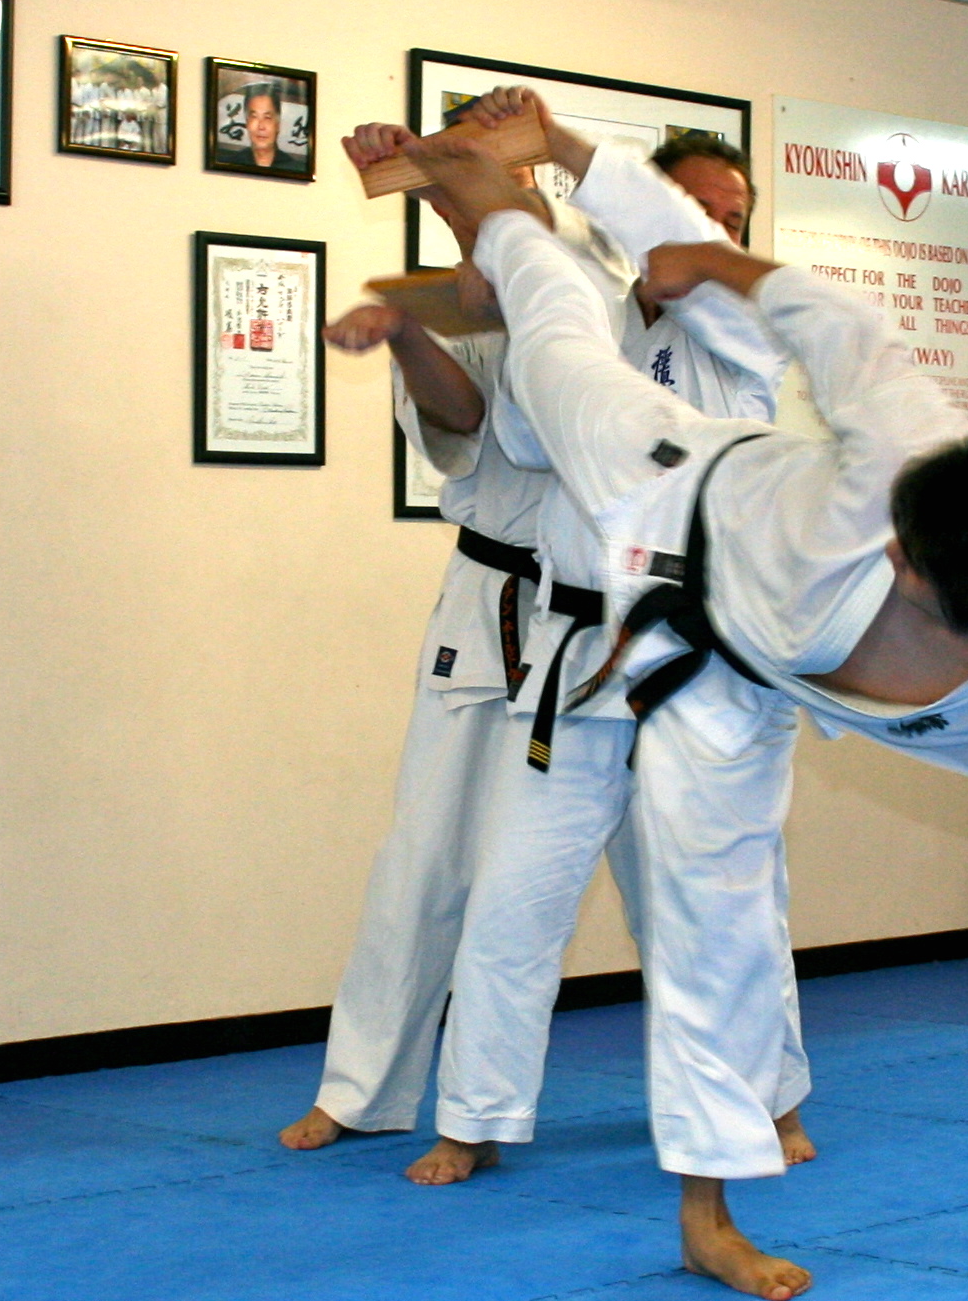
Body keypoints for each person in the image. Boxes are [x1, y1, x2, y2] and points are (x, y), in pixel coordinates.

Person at [401, 120, 968, 1301]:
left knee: (718, 919)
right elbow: (831, 321)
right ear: (909, 550)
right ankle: (502, 189)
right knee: (556, 345)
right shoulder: (909, 449)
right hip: (674, 489)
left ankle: (707, 1215)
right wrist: (708, 258)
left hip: (719, 678)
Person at [280, 109, 812, 1194]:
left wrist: (513, 173)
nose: (714, 230)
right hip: (572, 651)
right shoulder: (579, 318)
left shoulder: (750, 327)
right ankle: (474, 1114)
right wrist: (447, 191)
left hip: (704, 656)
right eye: (696, 209)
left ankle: (770, 1097)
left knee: (722, 898)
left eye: (732, 217)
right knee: (506, 899)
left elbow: (559, 264)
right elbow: (517, 399)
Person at [243, 84, 283, 169]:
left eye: (267, 117)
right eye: (254, 117)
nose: (261, 126)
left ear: (278, 125)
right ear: (247, 122)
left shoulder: (295, 169)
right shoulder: (230, 164)